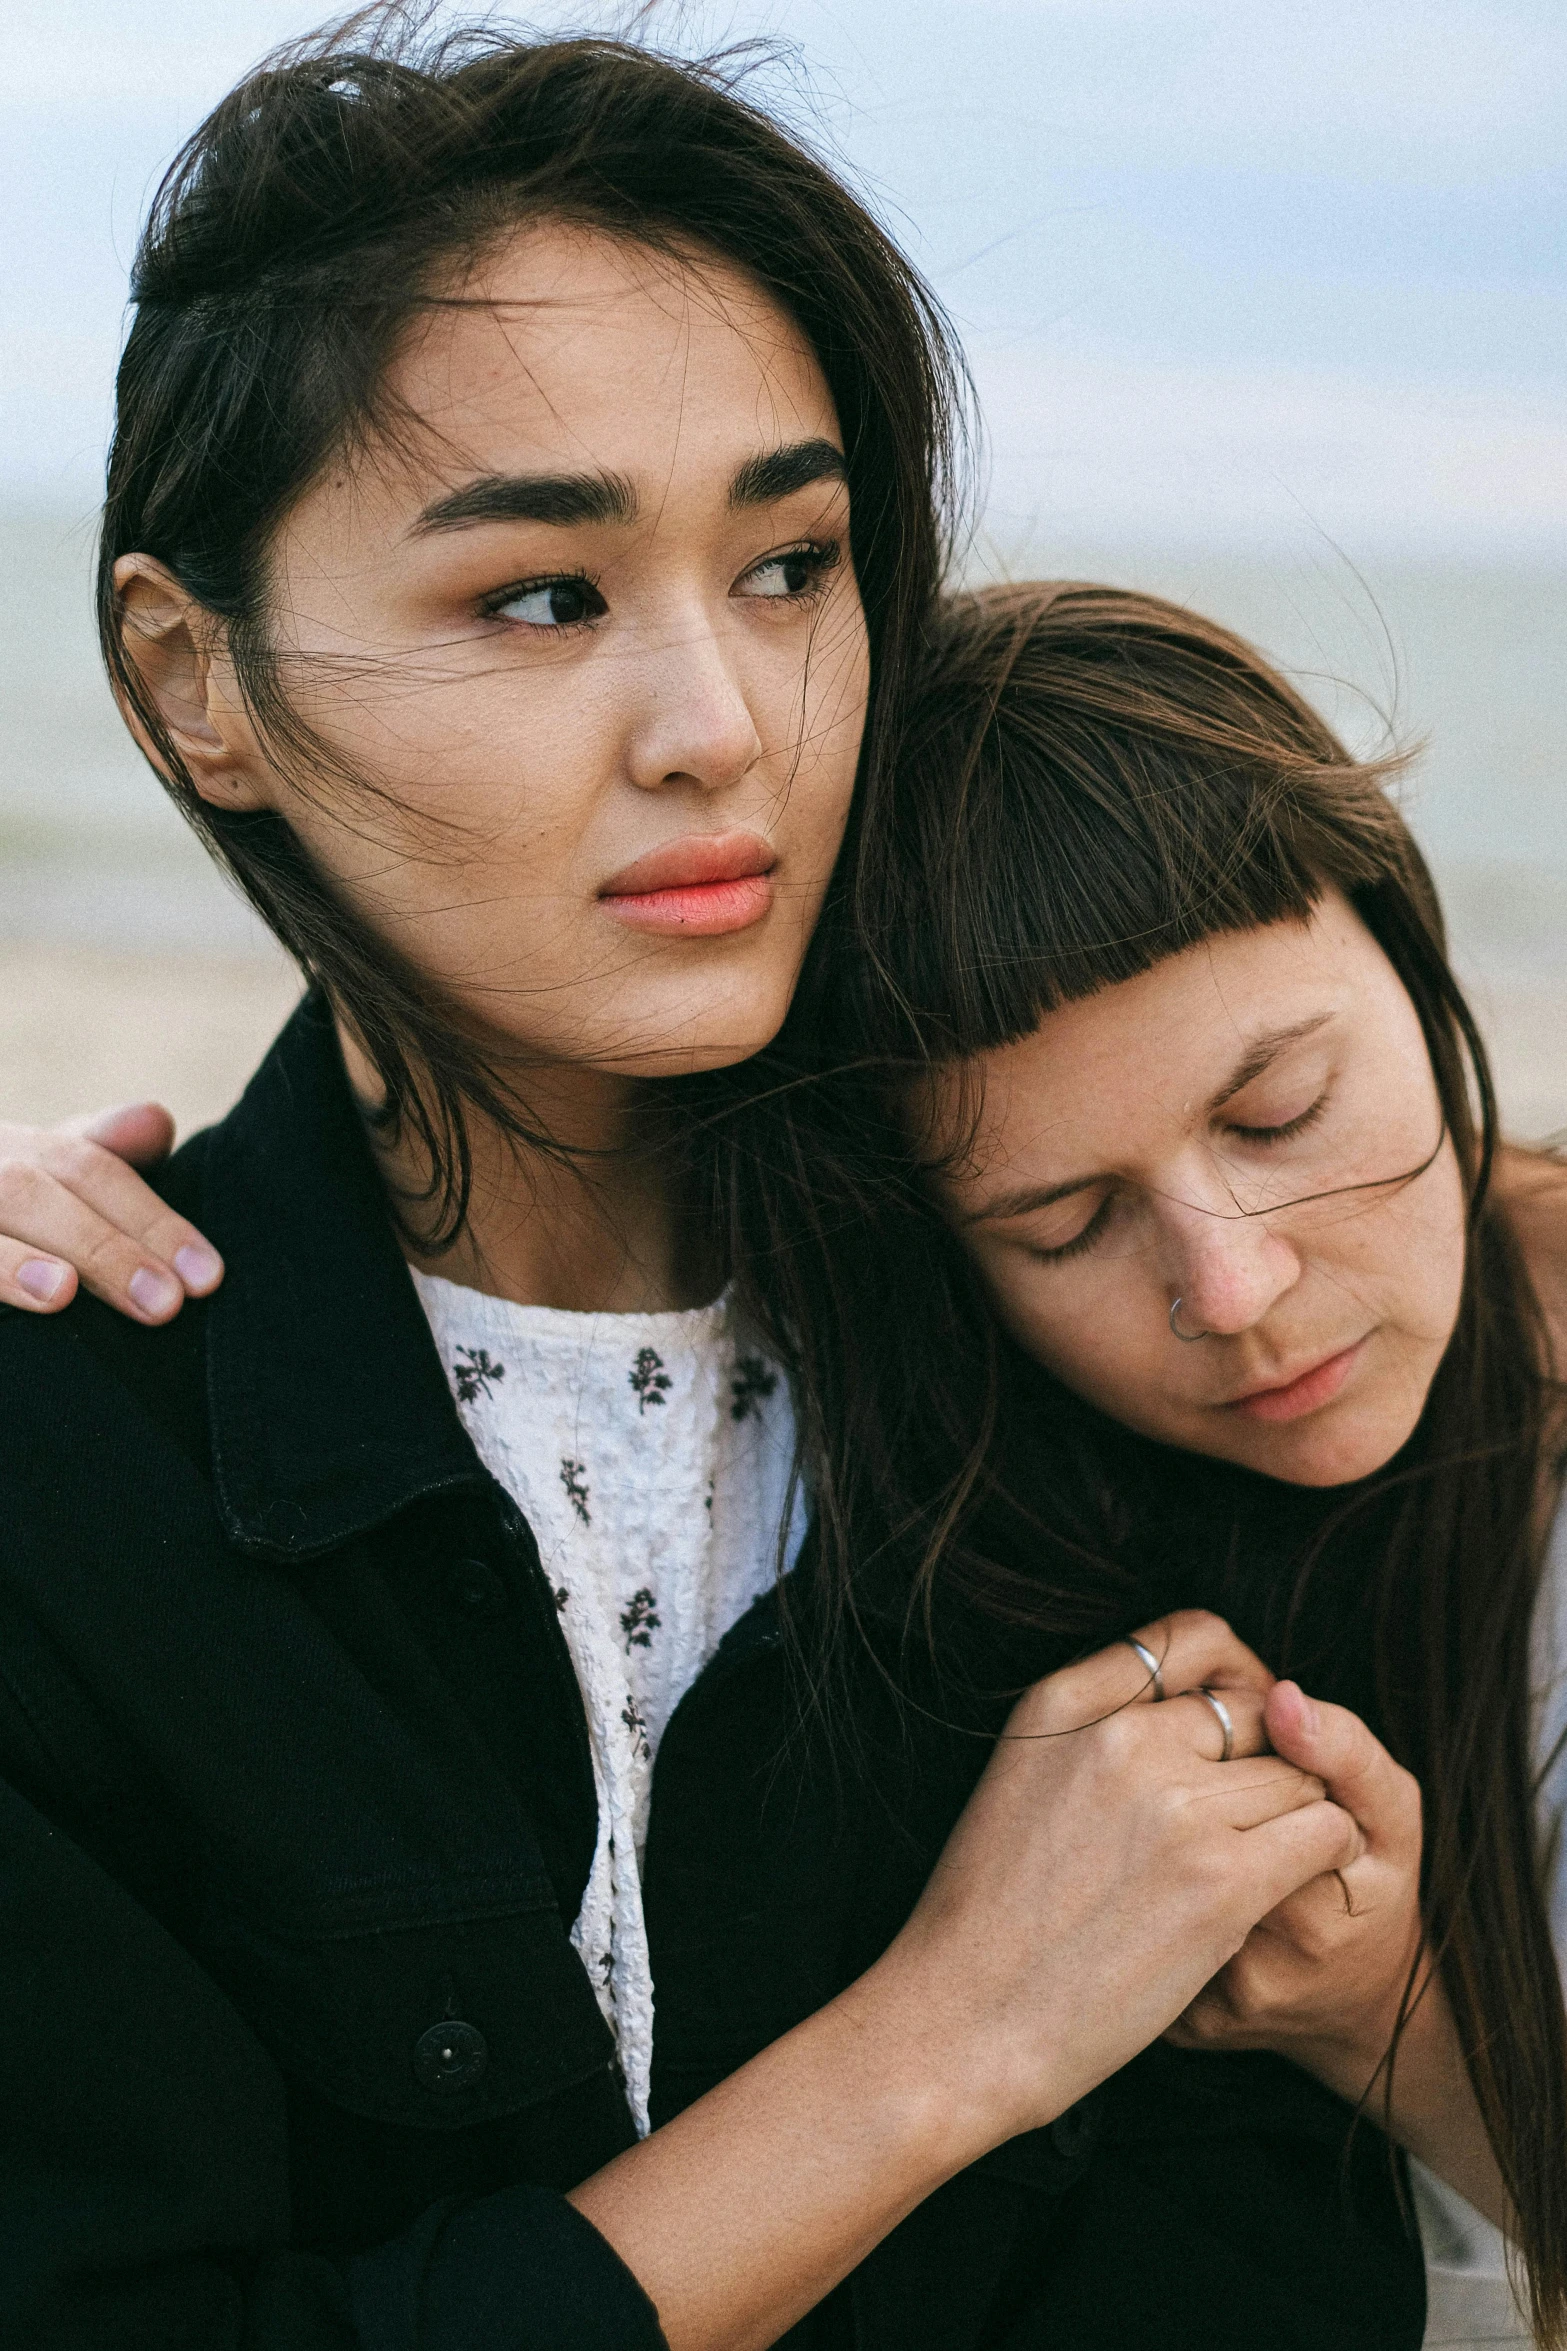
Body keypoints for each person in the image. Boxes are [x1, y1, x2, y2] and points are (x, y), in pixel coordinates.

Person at [0, 21, 1370, 2351]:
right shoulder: (59, 1486)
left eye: (793, 561)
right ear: (192, 676)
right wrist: (945, 2045)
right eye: (540, 593)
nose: (721, 720)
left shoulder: (1113, 1367)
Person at [639, 583, 1565, 2347]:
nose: (1234, 1291)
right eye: (1062, 1220)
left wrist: (1391, 2012)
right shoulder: (912, 1456)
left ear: (1404, 942)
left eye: (1278, 1110)